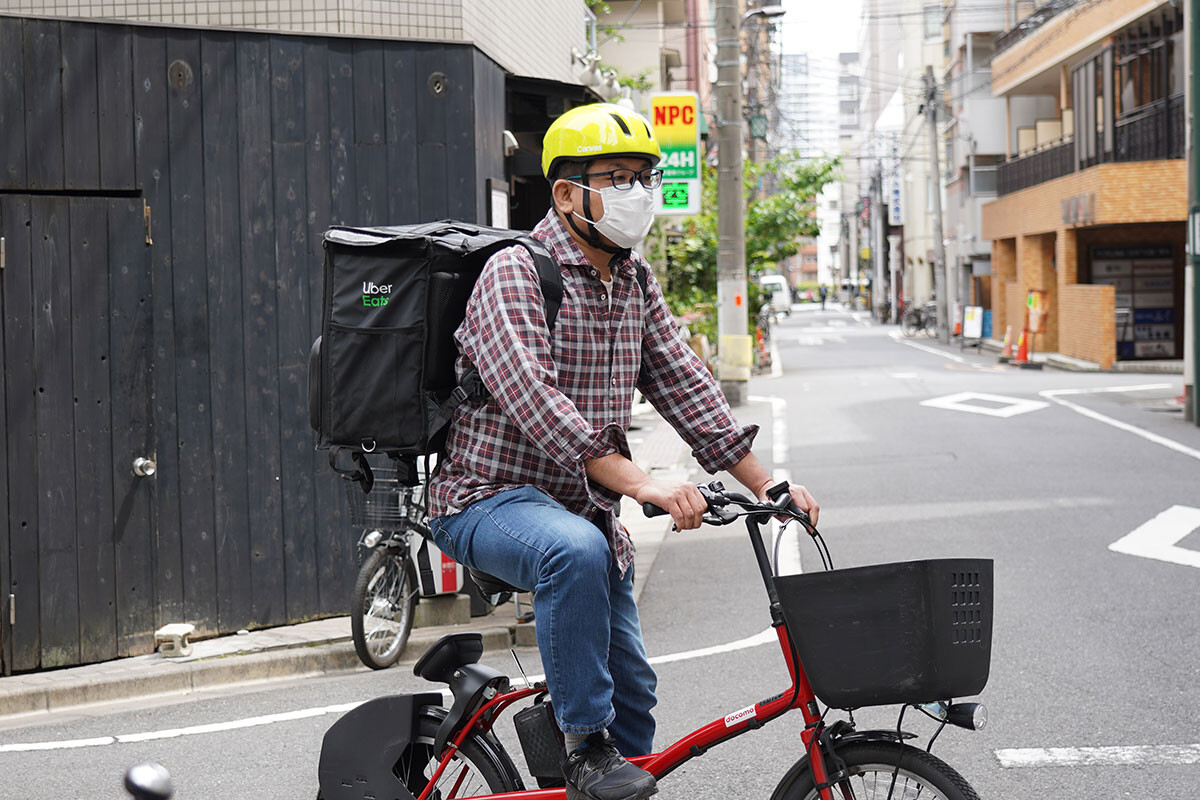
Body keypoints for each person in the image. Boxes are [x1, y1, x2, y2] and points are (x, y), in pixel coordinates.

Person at [426, 103, 819, 800]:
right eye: (618, 176)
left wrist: (769, 485)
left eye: (646, 177)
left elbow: (685, 385)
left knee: (633, 695)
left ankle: (599, 768)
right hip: (487, 499)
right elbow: (541, 408)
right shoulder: (515, 275)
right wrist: (645, 485)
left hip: (584, 514)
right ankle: (581, 750)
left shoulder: (634, 282)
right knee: (571, 552)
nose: (638, 192)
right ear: (567, 194)